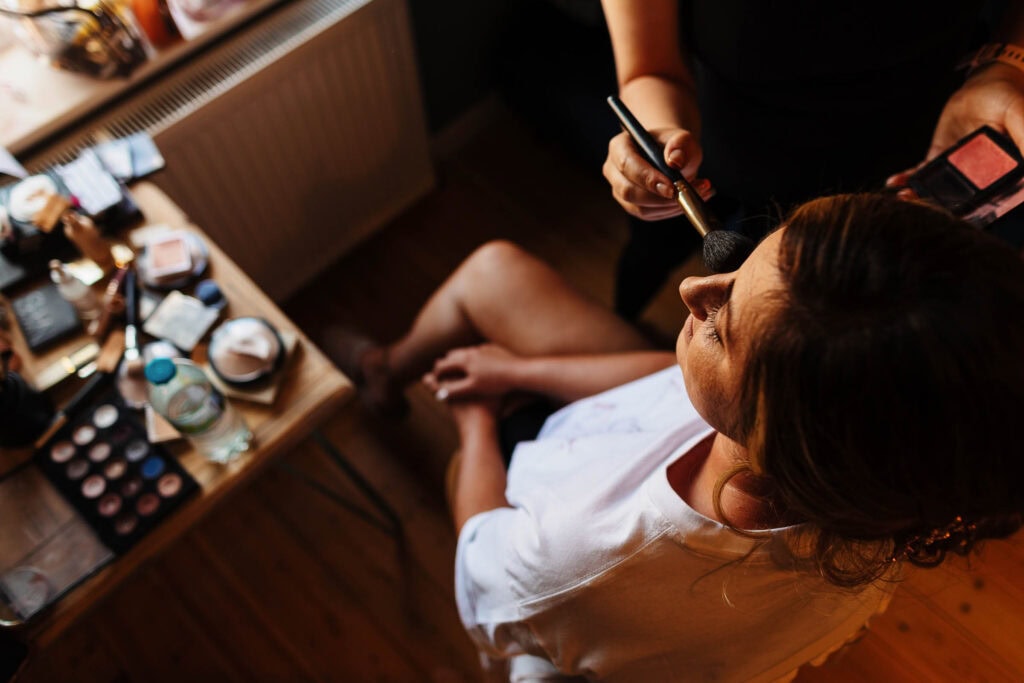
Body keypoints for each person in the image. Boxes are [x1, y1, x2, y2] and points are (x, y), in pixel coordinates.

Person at [325, 193, 1024, 681]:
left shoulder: (581, 559)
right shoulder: (885, 481)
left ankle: (387, 379)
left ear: (775, 430)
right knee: (492, 271)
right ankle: (387, 370)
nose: (695, 288)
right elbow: (663, 383)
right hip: (616, 434)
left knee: (458, 469)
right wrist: (519, 367)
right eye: (738, 272)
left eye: (721, 324)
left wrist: (476, 421)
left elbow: (482, 559)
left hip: (550, 537)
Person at [601, 0, 1024, 319]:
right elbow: (648, 69)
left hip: (931, 149)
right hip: (733, 159)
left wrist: (1006, 68)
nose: (696, 295)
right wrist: (657, 133)